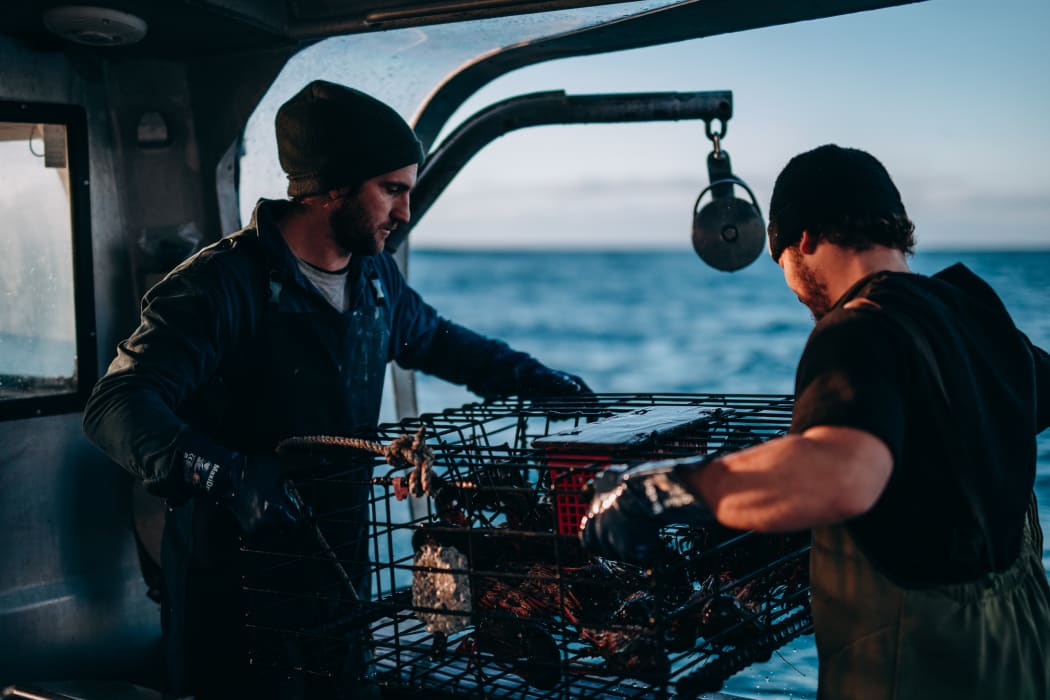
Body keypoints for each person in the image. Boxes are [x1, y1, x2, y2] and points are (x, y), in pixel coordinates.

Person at [83, 79, 592, 699]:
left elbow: (443, 342)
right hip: (235, 595)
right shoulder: (220, 285)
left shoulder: (376, 280)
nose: (404, 212)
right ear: (331, 188)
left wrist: (543, 383)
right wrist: (228, 474)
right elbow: (115, 406)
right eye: (393, 190)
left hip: (340, 583)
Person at [581, 144, 1050, 698]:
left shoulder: (855, 328)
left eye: (781, 262)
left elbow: (839, 475)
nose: (791, 284)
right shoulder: (973, 312)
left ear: (802, 240)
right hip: (1023, 657)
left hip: (920, 671)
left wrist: (656, 491)